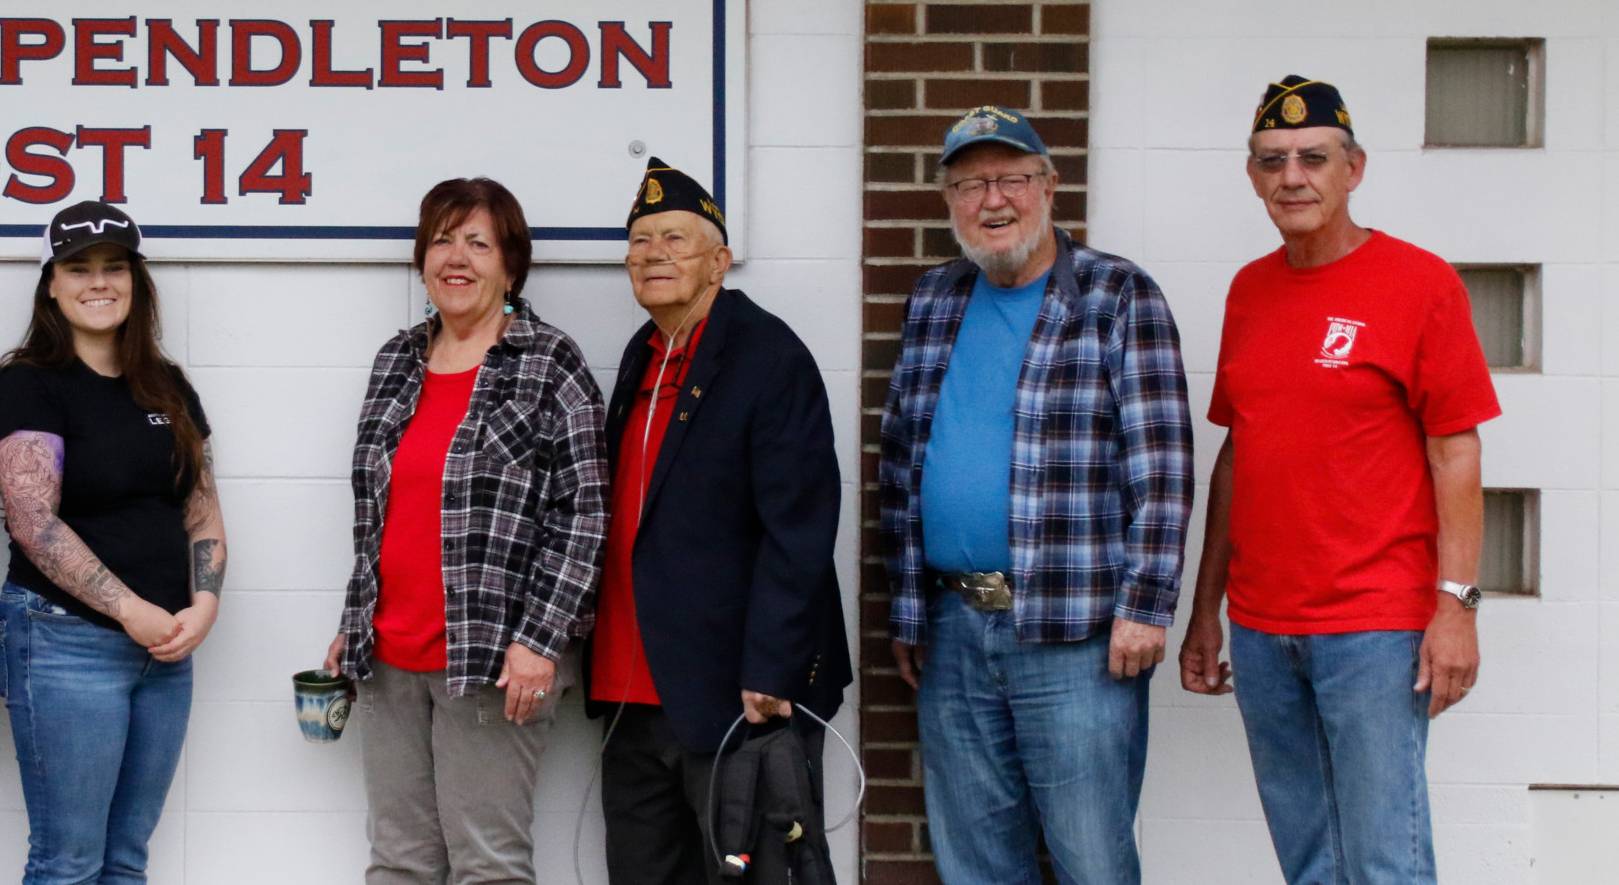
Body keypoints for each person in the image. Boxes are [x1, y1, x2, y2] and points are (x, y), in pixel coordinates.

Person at [1178, 77, 1497, 885]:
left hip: (1374, 628)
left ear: (1353, 169)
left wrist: (1455, 606)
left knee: (1387, 859)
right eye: (1272, 161)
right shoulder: (1250, 290)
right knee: (1310, 860)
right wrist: (1205, 608)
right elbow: (1238, 453)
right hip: (1260, 627)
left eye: (1313, 158)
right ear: (1252, 176)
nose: (1293, 177)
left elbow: (1455, 451)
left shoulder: (1419, 284)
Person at [876, 106, 1194, 885]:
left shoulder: (1117, 295)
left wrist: (1146, 605)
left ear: (1049, 187)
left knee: (1091, 859)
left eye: (1012, 178)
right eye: (970, 183)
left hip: (1077, 630)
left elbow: (1164, 464)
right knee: (976, 863)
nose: (993, 200)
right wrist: (911, 610)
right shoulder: (934, 300)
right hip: (953, 628)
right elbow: (902, 459)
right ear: (948, 199)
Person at [328, 177, 609, 885]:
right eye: (442, 240)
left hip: (492, 661)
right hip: (388, 655)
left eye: (478, 243)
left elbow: (585, 512)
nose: (457, 257)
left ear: (510, 265)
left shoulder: (549, 362)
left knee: (488, 866)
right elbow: (379, 513)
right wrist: (353, 621)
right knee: (398, 863)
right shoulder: (397, 360)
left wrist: (540, 642)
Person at [588, 158, 851, 885]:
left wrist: (773, 667)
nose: (652, 255)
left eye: (674, 238)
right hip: (633, 696)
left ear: (719, 260)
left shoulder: (767, 356)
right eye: (640, 243)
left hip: (736, 693)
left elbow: (799, 527)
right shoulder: (642, 355)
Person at [0, 200, 228, 885]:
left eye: (113, 267)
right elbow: (34, 523)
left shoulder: (166, 386)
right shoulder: (28, 385)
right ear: (51, 285)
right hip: (66, 643)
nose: (98, 282)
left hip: (166, 650)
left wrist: (201, 607)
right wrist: (129, 609)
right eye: (78, 268)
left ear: (136, 281)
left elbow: (202, 513)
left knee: (125, 859)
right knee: (70, 861)